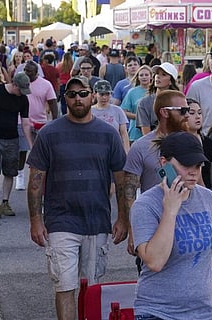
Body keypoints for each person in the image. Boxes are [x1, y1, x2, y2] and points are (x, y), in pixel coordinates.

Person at [27, 75, 128, 320]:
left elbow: (121, 180)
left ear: (92, 95)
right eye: (71, 94)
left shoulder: (108, 134)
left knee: (91, 287)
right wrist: (36, 220)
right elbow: (35, 180)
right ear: (65, 100)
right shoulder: (50, 134)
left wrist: (124, 219)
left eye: (83, 93)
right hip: (61, 221)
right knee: (65, 285)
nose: (78, 98)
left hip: (97, 221)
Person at [130, 131, 212, 320]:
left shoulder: (208, 198)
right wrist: (170, 210)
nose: (193, 172)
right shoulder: (146, 205)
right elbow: (154, 261)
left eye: (198, 165)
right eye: (186, 165)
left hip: (207, 311)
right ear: (164, 164)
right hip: (160, 312)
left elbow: (207, 256)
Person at [124, 90, 190, 255]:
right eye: (182, 111)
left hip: (188, 220)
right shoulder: (140, 147)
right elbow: (129, 192)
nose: (187, 115)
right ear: (164, 112)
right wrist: (133, 229)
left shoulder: (192, 143)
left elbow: (200, 183)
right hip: (153, 222)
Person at [0, 72, 33, 219]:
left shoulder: (23, 99)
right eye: (20, 90)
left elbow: (26, 122)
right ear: (14, 84)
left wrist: (31, 146)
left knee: (10, 172)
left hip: (12, 138)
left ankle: (5, 202)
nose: (21, 93)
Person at [16, 61, 58, 191]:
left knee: (41, 152)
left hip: (40, 122)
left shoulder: (45, 85)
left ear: (36, 73)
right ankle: (20, 175)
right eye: (26, 70)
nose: (27, 73)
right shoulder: (21, 82)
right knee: (22, 150)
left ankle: (40, 177)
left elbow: (53, 102)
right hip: (21, 121)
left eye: (30, 71)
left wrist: (55, 121)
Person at [186, 97, 212, 192]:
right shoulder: (177, 142)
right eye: (192, 113)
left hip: (207, 192)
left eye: (200, 113)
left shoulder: (209, 143)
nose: (197, 116)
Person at [136, 62, 179, 135]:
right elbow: (146, 135)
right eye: (157, 73)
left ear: (171, 81)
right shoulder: (144, 103)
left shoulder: (178, 102)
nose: (158, 76)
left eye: (163, 75)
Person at [91, 80, 130, 153]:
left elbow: (124, 133)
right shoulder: (90, 111)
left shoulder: (118, 110)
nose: (104, 97)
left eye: (107, 94)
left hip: (114, 149)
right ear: (95, 94)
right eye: (101, 94)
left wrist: (126, 151)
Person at [121, 65, 153, 143]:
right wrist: (139, 117)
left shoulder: (155, 91)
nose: (144, 77)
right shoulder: (132, 92)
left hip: (153, 131)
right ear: (138, 77)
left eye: (146, 75)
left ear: (151, 77)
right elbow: (123, 111)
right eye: (141, 75)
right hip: (135, 133)